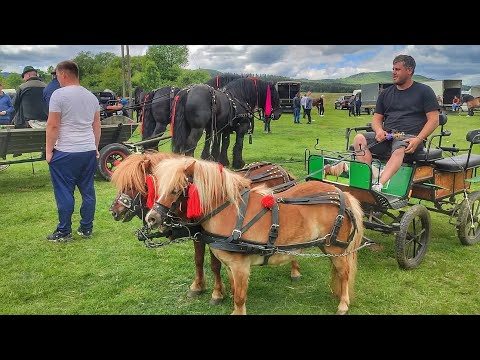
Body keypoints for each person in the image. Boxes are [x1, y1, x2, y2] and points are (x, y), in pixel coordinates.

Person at [353, 54, 440, 192]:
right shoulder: (385, 94)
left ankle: (378, 186)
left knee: (399, 148)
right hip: (387, 136)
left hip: (410, 138)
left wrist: (418, 139)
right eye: (393, 69)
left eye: (397, 69)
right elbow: (376, 119)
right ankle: (368, 179)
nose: (393, 72)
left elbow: (434, 120)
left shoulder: (424, 91)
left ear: (409, 70)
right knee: (359, 138)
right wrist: (379, 131)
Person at [45, 60, 101, 242]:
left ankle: (64, 231)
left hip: (66, 151)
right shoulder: (91, 97)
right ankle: (86, 229)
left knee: (64, 192)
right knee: (88, 191)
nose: (57, 79)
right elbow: (96, 126)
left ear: (63, 74)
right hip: (87, 150)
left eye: (56, 75)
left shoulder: (58, 95)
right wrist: (96, 147)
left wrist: (48, 152)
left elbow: (53, 125)